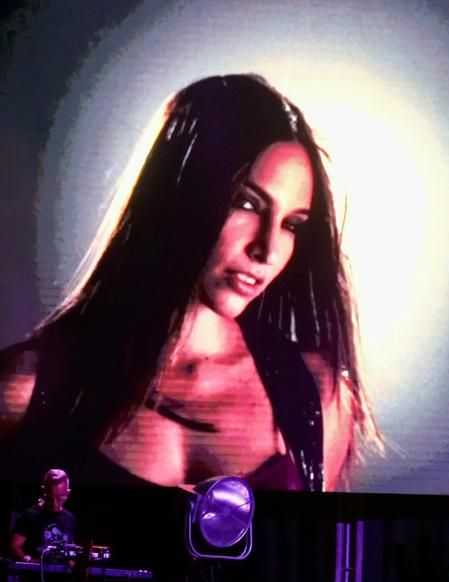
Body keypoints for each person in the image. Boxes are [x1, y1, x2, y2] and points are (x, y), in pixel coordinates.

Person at [0, 74, 375, 492]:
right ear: (181, 194)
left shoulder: (318, 398)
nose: (268, 250)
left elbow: (314, 556)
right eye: (247, 203)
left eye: (291, 224)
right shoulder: (26, 390)